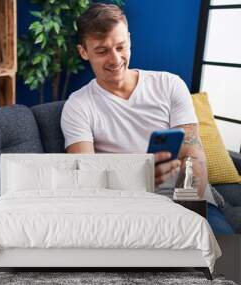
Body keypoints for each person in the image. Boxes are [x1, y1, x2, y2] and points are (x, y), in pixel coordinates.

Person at [61, 3, 234, 234]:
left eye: (121, 47)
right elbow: (86, 176)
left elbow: (193, 155)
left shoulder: (169, 84)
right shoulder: (78, 105)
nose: (115, 59)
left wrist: (186, 210)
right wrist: (136, 177)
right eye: (102, 51)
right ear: (83, 52)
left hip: (186, 198)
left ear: (129, 40)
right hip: (125, 207)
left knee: (224, 258)